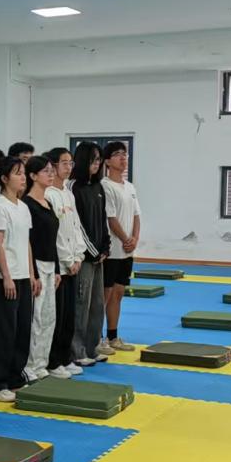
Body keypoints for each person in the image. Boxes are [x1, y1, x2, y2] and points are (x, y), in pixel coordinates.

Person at [0, 157, 34, 401]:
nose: (23, 177)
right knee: (3, 332)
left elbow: (27, 243)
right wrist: (6, 277)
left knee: (22, 329)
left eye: (24, 173)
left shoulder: (23, 207)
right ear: (4, 178)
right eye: (17, 173)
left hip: (23, 276)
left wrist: (32, 274)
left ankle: (15, 377)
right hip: (6, 277)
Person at [45, 147, 86, 376]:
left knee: (70, 315)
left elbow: (76, 227)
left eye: (71, 163)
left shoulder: (69, 194)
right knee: (58, 316)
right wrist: (67, 260)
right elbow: (56, 234)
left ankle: (65, 356)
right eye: (64, 163)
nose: (68, 167)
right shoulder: (49, 194)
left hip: (73, 263)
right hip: (60, 265)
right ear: (53, 165)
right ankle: (53, 361)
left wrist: (78, 255)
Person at [22, 155, 62, 381]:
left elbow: (52, 239)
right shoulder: (27, 204)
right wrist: (33, 274)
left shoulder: (49, 203)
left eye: (51, 170)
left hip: (50, 264)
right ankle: (29, 365)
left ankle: (41, 363)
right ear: (33, 175)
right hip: (35, 264)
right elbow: (28, 242)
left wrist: (56, 269)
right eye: (46, 171)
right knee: (35, 318)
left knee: (49, 317)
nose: (51, 174)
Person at [70, 142, 109, 365]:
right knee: (81, 304)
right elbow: (77, 225)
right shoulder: (74, 188)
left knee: (97, 303)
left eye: (99, 160)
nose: (96, 164)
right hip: (84, 256)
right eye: (93, 160)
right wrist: (93, 251)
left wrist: (105, 247)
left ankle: (93, 347)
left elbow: (102, 220)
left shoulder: (98, 187)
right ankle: (77, 351)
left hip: (98, 256)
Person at [101, 141, 140, 353]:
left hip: (127, 252)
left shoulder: (130, 187)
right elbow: (111, 218)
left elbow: (136, 216)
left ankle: (113, 336)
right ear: (107, 161)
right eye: (117, 154)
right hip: (113, 250)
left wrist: (134, 239)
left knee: (118, 293)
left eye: (125, 154)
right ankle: (96, 339)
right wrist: (125, 239)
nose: (123, 158)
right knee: (105, 295)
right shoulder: (105, 186)